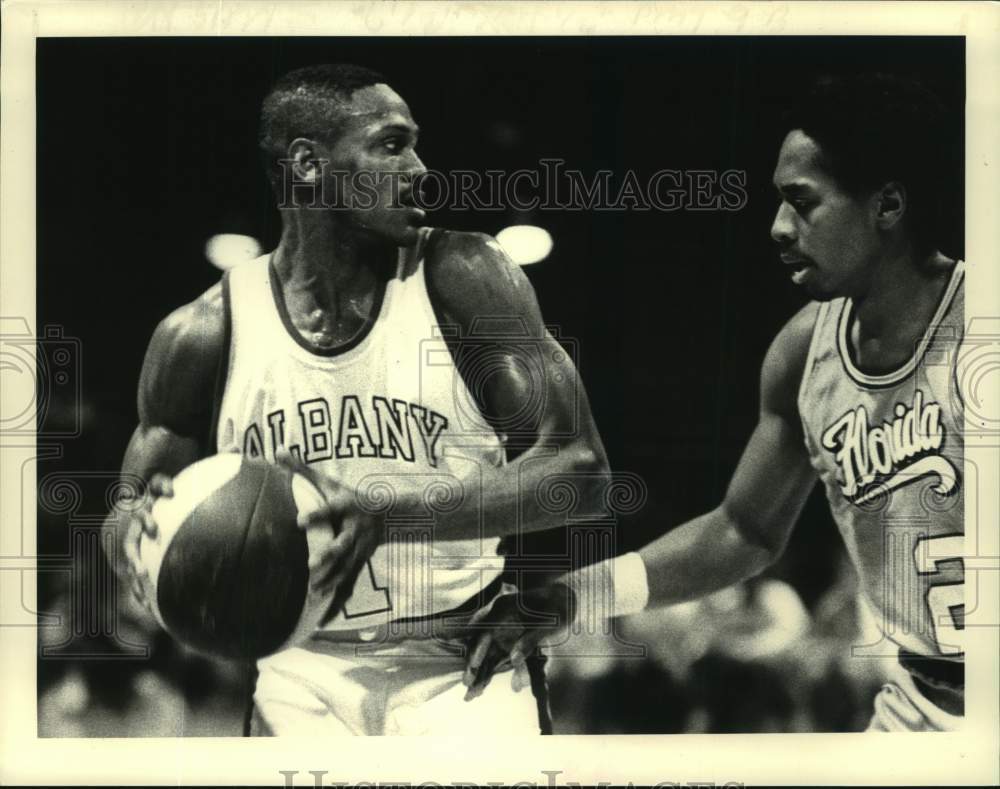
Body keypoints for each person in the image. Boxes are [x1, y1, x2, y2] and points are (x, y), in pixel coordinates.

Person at [102, 63, 611, 736]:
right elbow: (127, 517)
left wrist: (387, 515)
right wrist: (156, 552)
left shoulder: (465, 278)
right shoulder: (202, 333)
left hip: (461, 663)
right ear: (309, 164)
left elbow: (580, 472)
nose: (421, 168)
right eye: (392, 144)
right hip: (297, 668)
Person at [464, 73, 966, 733]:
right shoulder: (800, 354)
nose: (779, 226)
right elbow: (744, 531)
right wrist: (571, 595)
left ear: (888, 206)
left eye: (802, 201)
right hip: (920, 702)